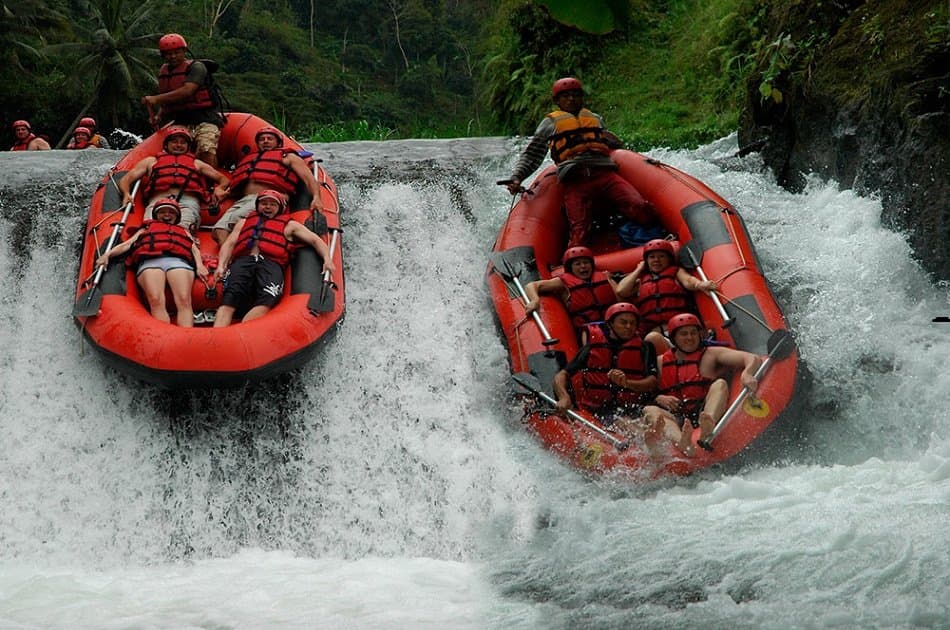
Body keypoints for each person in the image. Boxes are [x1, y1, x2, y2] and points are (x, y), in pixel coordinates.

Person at [503, 77, 655, 248]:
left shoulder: (595, 118)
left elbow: (610, 143)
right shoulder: (550, 123)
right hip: (575, 181)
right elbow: (532, 154)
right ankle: (575, 262)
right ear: (557, 101)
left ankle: (654, 239)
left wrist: (639, 159)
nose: (571, 99)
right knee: (580, 229)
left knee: (638, 205)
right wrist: (517, 177)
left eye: (575, 95)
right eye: (566, 96)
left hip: (605, 176)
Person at [641, 313, 762, 456]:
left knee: (720, 384)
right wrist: (659, 398)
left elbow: (751, 358)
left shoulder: (711, 354)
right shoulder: (660, 362)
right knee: (649, 409)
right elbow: (646, 395)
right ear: (674, 338)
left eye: (693, 333)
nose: (690, 338)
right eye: (684, 334)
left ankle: (708, 425)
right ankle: (682, 442)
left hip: (702, 410)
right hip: (676, 415)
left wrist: (747, 373)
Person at [213, 189, 334, 326]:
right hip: (244, 262)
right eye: (264, 203)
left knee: (267, 300)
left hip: (271, 264)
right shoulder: (243, 223)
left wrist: (327, 260)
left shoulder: (290, 226)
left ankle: (243, 331)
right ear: (258, 205)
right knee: (228, 301)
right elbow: (229, 244)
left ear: (280, 208)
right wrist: (220, 266)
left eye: (272, 204)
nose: (268, 207)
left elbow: (315, 240)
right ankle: (217, 336)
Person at [95, 198, 208, 327]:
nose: (167, 215)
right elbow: (127, 245)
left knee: (184, 300)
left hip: (178, 262)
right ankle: (164, 338)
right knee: (155, 300)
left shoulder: (183, 231)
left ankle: (187, 336)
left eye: (171, 212)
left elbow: (193, 249)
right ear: (156, 215)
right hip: (150, 262)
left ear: (176, 216)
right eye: (163, 212)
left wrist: (199, 265)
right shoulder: (145, 229)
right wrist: (107, 255)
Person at [553, 302, 658, 433]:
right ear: (610, 324)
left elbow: (652, 382)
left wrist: (627, 383)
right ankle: (644, 444)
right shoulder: (592, 347)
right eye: (623, 322)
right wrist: (564, 397)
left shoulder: (645, 347)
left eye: (632, 323)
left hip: (632, 406)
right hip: (599, 408)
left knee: (649, 415)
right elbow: (562, 375)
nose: (629, 327)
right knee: (622, 421)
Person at [213, 126, 325, 244]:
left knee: (234, 220)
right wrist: (223, 193)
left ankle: (233, 258)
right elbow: (238, 183)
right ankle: (228, 258)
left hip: (269, 198)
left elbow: (309, 179)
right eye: (262, 139)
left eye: (269, 138)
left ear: (278, 142)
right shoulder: (250, 159)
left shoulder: (288, 157)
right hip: (245, 200)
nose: (265, 141)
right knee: (219, 230)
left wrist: (316, 198)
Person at [117, 126, 229, 233]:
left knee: (181, 231)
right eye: (174, 141)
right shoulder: (151, 162)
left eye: (183, 142)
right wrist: (126, 194)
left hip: (187, 203)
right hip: (158, 201)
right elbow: (126, 180)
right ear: (166, 145)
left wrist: (220, 188)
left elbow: (222, 178)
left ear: (188, 146)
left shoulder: (197, 163)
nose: (178, 145)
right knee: (151, 231)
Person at [615, 239, 717, 350]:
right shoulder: (641, 280)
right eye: (652, 257)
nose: (656, 260)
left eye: (661, 256)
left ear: (669, 259)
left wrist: (699, 284)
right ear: (646, 261)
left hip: (680, 330)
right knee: (651, 338)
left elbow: (688, 281)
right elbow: (621, 290)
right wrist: (639, 269)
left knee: (653, 338)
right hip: (655, 334)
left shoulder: (676, 272)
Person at [142, 32, 224, 167]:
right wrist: (158, 115)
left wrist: (155, 99)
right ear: (163, 56)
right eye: (168, 54)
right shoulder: (164, 71)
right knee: (173, 151)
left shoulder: (196, 67)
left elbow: (187, 91)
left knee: (205, 148)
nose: (173, 56)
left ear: (184, 51)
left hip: (205, 118)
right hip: (180, 119)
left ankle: (211, 184)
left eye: (177, 52)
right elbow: (169, 97)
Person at [523, 246, 618, 336]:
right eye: (578, 264)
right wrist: (535, 300)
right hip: (587, 331)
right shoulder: (562, 282)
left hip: (612, 326)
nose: (583, 266)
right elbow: (531, 285)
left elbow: (619, 296)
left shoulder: (604, 277)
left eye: (586, 262)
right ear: (570, 267)